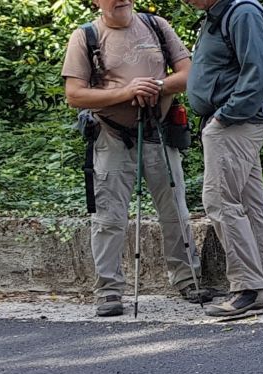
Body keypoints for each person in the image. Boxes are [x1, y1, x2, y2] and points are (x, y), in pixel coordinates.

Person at [63, 0, 218, 317]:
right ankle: (108, 291)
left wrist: (157, 85)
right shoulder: (86, 36)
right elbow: (75, 95)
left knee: (176, 209)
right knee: (108, 217)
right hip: (111, 136)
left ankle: (188, 280)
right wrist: (126, 92)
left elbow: (190, 73)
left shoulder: (157, 26)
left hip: (158, 132)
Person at [185, 0, 263, 317]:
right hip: (235, 122)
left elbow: (258, 73)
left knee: (219, 200)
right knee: (250, 203)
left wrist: (225, 117)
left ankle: (247, 288)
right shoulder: (222, 15)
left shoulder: (242, 13)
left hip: (236, 123)